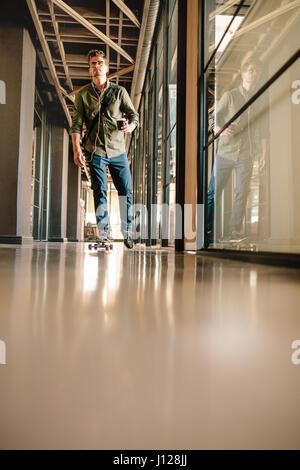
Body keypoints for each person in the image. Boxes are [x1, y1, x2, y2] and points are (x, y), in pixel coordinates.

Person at [71, 49, 139, 249]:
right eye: (92, 64)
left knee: (125, 191)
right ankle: (104, 234)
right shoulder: (83, 95)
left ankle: (128, 233)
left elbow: (134, 115)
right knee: (99, 191)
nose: (96, 66)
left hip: (118, 151)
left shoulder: (119, 92)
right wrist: (77, 149)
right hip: (95, 151)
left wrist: (131, 126)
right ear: (90, 68)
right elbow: (76, 125)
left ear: (106, 67)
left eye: (99, 63)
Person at [207, 59, 268, 244]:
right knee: (213, 192)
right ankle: (207, 229)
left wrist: (264, 154)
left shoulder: (258, 100)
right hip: (225, 153)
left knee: (242, 193)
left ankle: (234, 231)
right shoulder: (230, 96)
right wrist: (220, 129)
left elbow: (264, 129)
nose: (253, 73)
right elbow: (212, 120)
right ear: (242, 74)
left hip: (246, 155)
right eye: (250, 70)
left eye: (256, 70)